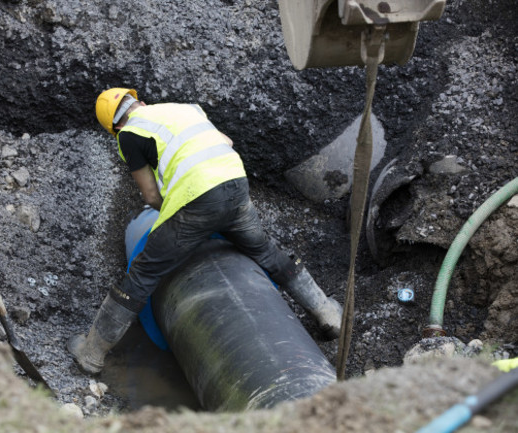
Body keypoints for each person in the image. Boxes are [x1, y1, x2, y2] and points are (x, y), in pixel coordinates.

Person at [67, 88, 342, 374]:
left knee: (144, 272)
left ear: (115, 126)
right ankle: (327, 312)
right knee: (264, 250)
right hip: (235, 183)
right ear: (140, 102)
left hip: (197, 199)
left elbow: (150, 196)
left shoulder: (129, 134)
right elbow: (227, 142)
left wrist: (181, 219)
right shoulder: (186, 109)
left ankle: (91, 354)